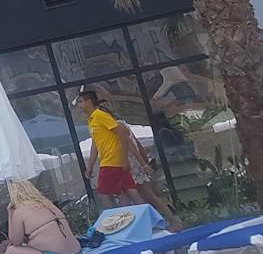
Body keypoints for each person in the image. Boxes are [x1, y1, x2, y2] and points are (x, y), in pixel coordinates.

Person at [75, 86, 183, 231]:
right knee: (132, 194)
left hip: (123, 163)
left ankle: (136, 225)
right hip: (124, 163)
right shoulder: (96, 122)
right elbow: (98, 144)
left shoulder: (110, 122)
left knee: (125, 194)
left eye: (81, 101)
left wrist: (140, 163)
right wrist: (91, 165)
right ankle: (153, 223)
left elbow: (130, 143)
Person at [2, 179, 81, 254]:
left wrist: (10, 213)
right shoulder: (48, 204)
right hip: (77, 252)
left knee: (11, 250)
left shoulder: (20, 211)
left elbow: (15, 241)